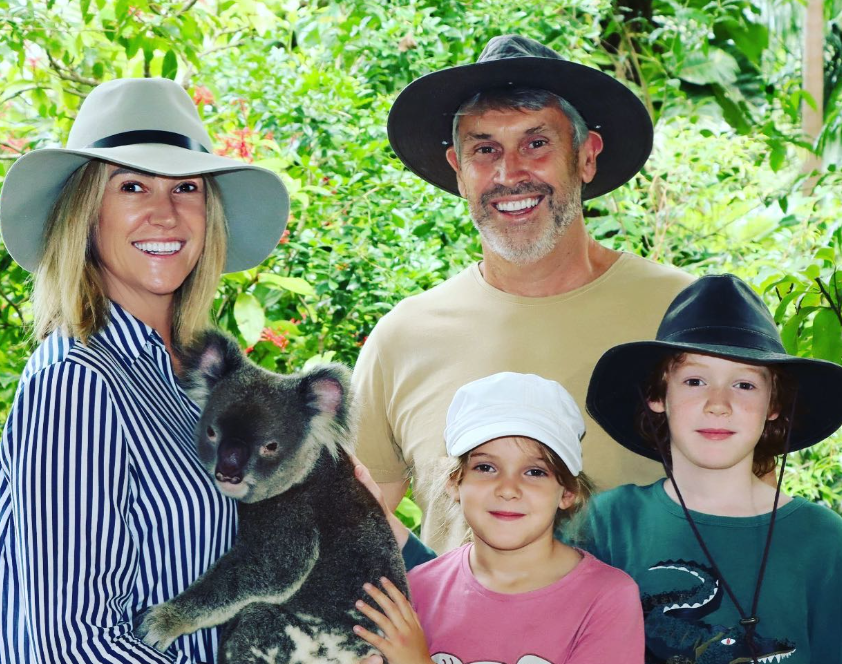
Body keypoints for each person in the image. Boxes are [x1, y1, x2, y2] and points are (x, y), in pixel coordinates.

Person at [353, 34, 694, 553]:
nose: (509, 174)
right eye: (485, 150)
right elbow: (353, 526)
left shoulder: (680, 315)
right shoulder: (404, 337)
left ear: (586, 157)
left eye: (536, 144)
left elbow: (749, 506)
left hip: (657, 631)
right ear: (458, 171)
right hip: (451, 634)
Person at [0, 78, 289, 663]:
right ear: (86, 217)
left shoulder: (199, 386)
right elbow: (73, 642)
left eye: (186, 187)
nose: (165, 213)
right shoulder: (77, 383)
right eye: (132, 186)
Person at [580, 274, 842, 663]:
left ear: (774, 405)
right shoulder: (607, 524)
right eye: (695, 380)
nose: (718, 403)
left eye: (744, 385)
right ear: (657, 395)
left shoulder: (826, 541)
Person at [353, 372, 644, 664]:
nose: (507, 489)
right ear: (455, 482)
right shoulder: (414, 590)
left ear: (567, 492)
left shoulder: (607, 598)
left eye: (535, 472)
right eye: (486, 467)